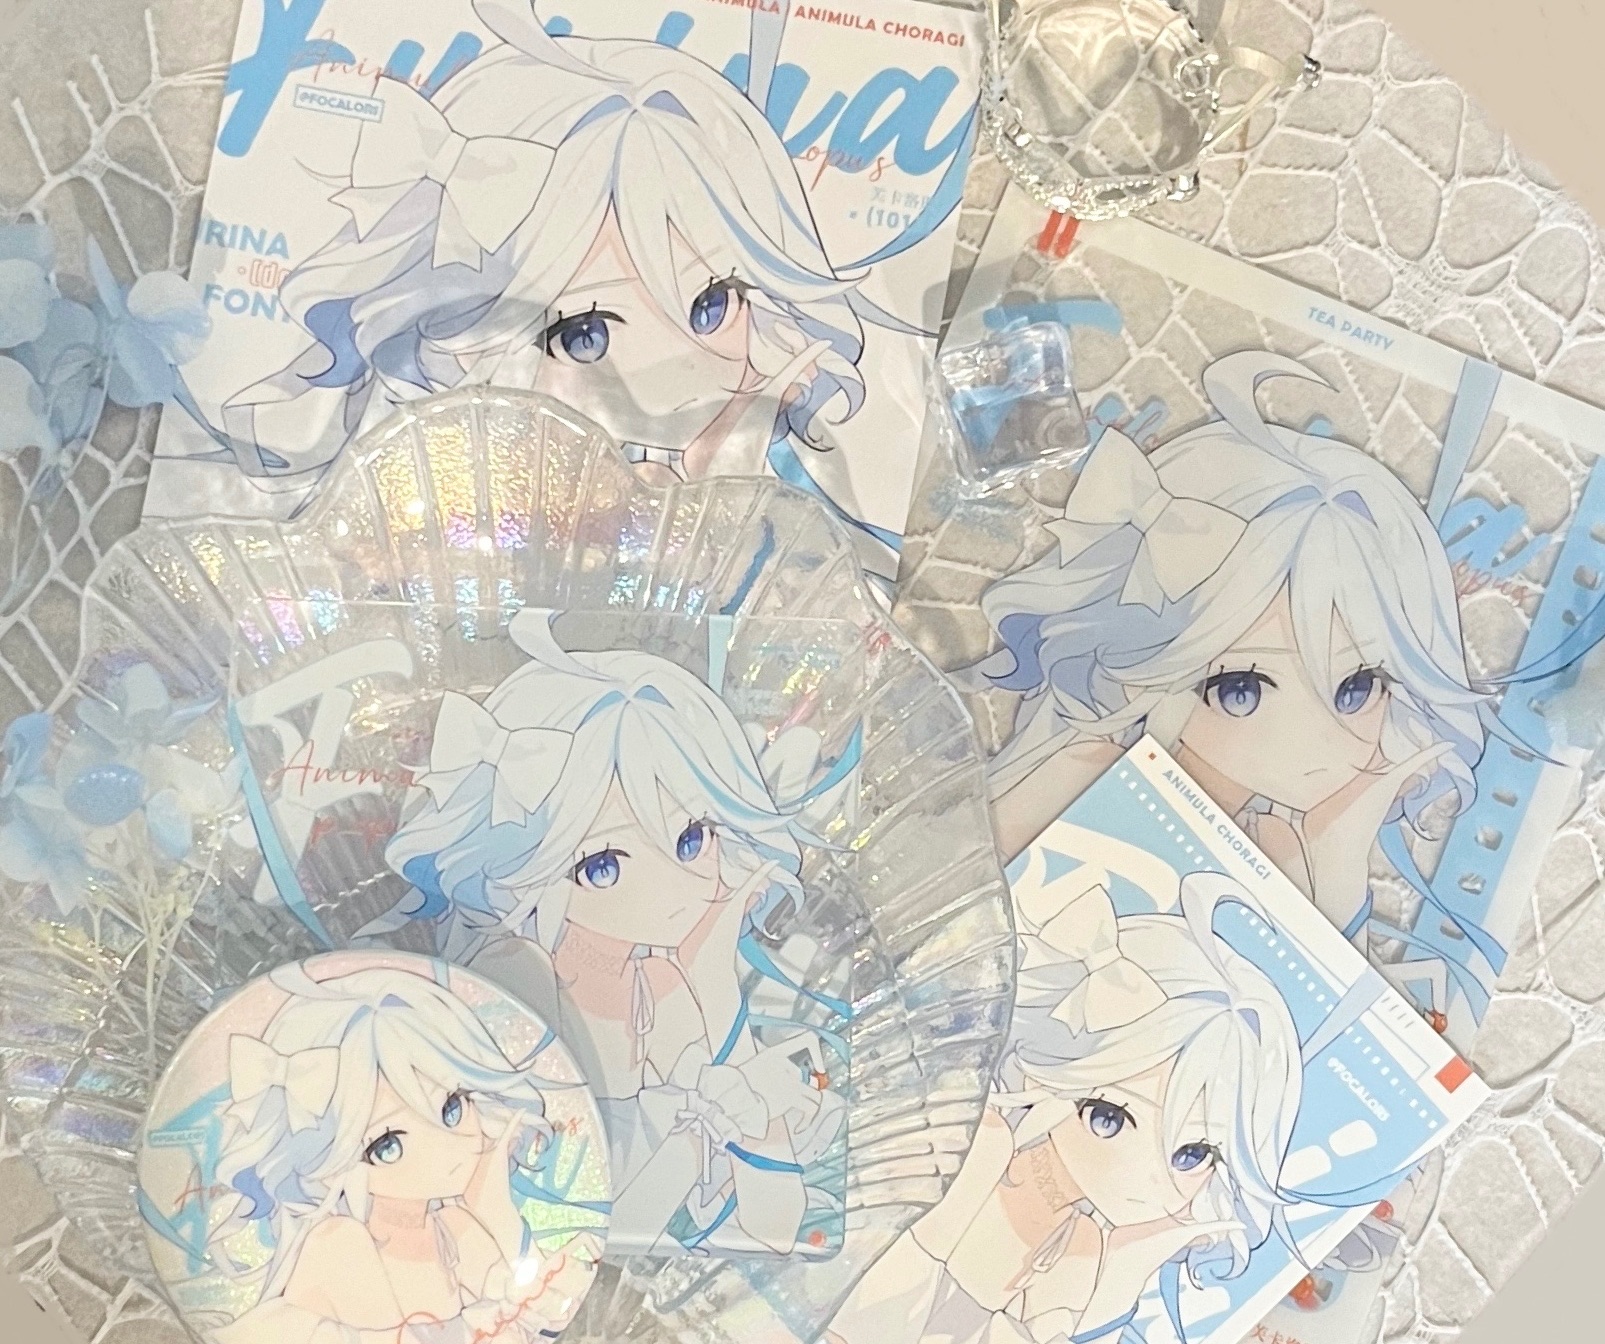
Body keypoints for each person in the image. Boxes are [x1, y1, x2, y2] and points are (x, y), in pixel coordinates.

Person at [207, 0, 907, 579]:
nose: (673, 378)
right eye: (585, 335)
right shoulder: (408, 505)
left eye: (710, 306)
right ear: (463, 340)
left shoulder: (785, 531)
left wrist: (708, 508)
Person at [965, 351, 1497, 1023]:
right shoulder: (1080, 780)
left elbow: (1298, 1058)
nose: (1319, 743)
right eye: (1241, 689)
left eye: (1357, 687)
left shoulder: (1279, 841)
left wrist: (1336, 878)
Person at [381, 610, 853, 1253]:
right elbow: (568, 1233)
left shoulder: (660, 986)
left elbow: (775, 1231)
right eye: (603, 866)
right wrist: (697, 1137)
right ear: (528, 865)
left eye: (691, 838)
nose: (674, 888)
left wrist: (718, 992)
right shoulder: (514, 978)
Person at [827, 873, 1302, 1344]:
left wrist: (1122, 1279)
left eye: (1192, 1154)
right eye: (1108, 1118)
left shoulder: (1080, 1243)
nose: (1145, 1176)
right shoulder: (980, 1146)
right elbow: (855, 1309)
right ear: (1048, 1074)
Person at [194, 961, 597, 1344]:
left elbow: (545, 1313)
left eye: (451, 1107)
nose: (444, 1146)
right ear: (329, 1162)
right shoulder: (339, 1243)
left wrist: (497, 1211)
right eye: (388, 1146)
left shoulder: (454, 1230)